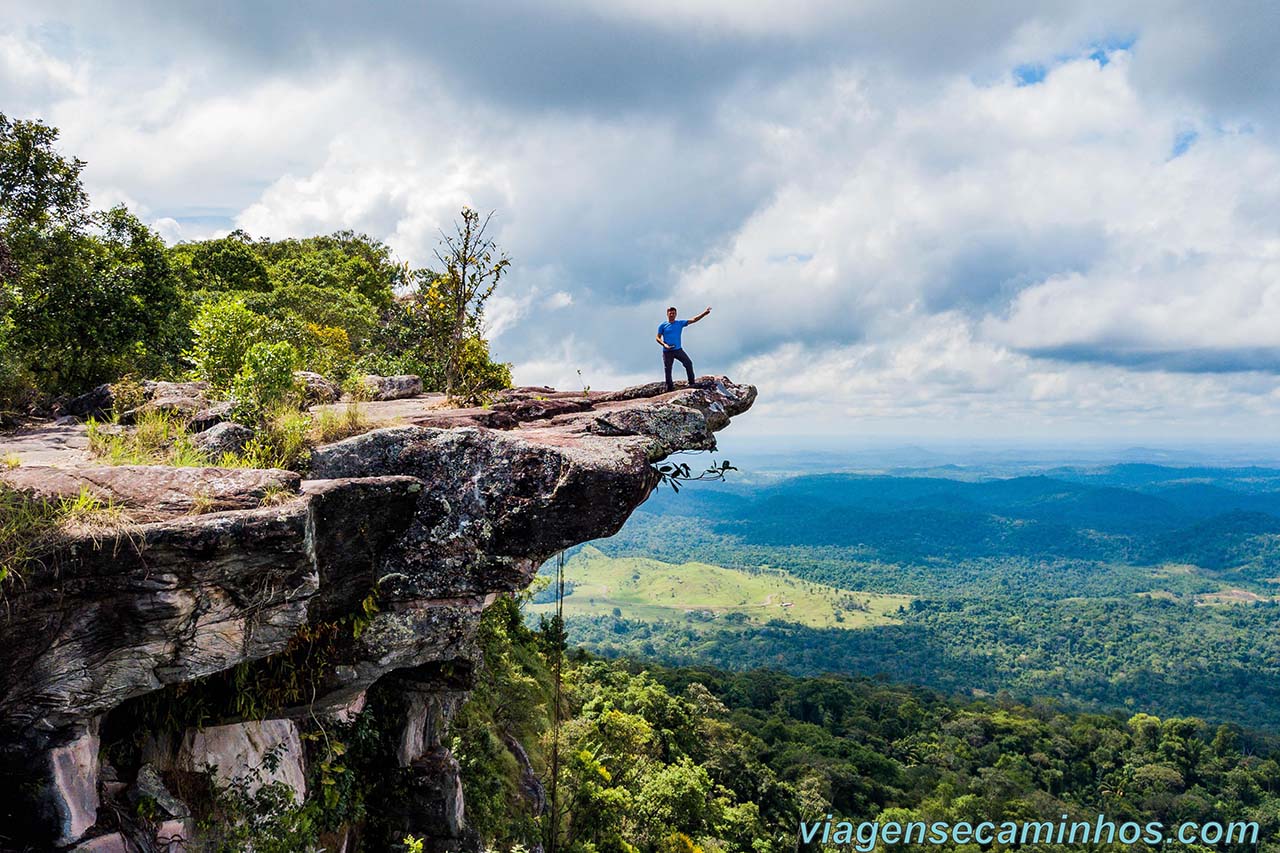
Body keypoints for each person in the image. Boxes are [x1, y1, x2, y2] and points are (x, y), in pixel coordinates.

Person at [656, 305, 711, 391]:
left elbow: (693, 320)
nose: (672, 315)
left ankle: (692, 383)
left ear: (676, 314)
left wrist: (704, 313)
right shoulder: (663, 325)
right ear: (667, 314)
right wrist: (664, 344)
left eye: (673, 313)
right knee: (668, 370)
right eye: (670, 313)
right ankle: (669, 388)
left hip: (678, 350)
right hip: (667, 351)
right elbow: (657, 337)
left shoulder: (679, 323)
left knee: (688, 363)